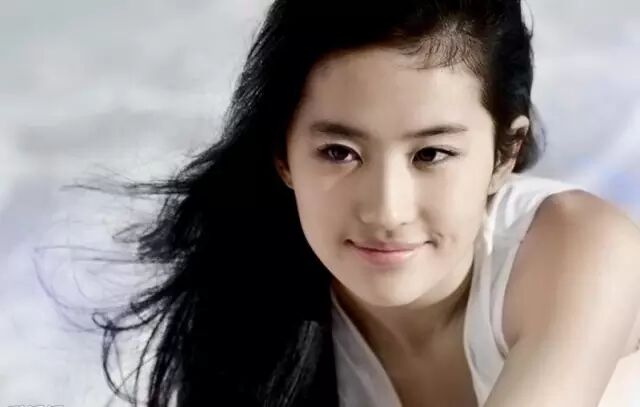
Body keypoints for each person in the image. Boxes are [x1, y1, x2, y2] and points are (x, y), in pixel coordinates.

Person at [96, 0, 640, 406]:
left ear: (505, 153)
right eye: (339, 152)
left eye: (431, 154)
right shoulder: (253, 310)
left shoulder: (583, 249)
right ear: (283, 155)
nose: (386, 211)